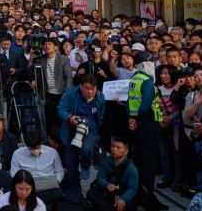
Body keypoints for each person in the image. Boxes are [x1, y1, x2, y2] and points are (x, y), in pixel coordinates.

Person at [127, 51, 166, 210]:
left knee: (139, 161)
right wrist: (139, 118)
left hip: (137, 125)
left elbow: (131, 102)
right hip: (149, 125)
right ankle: (148, 198)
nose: (154, 66)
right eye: (151, 63)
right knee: (148, 163)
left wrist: (132, 118)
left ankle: (138, 195)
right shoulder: (148, 81)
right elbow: (145, 105)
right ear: (144, 65)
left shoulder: (134, 78)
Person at [57, 74, 105, 203]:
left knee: (86, 149)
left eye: (93, 89)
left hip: (91, 129)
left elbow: (100, 115)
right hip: (71, 130)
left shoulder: (100, 97)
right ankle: (75, 191)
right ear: (80, 87)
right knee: (70, 162)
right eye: (87, 88)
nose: (90, 92)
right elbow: (61, 109)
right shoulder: (70, 94)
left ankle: (85, 165)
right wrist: (70, 117)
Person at [9, 130, 63, 207]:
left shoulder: (52, 152)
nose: (35, 150)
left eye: (37, 147)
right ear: (27, 146)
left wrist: (57, 181)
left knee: (58, 193)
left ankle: (33, 203)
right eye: (32, 148)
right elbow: (14, 174)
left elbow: (60, 171)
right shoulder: (18, 154)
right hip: (27, 188)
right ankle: (37, 204)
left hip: (48, 188)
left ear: (41, 144)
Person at [87, 137, 139, 211]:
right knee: (91, 193)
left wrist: (123, 199)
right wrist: (107, 184)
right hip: (108, 192)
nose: (114, 149)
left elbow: (132, 188)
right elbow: (100, 178)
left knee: (130, 204)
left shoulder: (132, 169)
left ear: (126, 151)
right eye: (113, 146)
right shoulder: (105, 160)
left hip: (122, 193)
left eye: (118, 148)